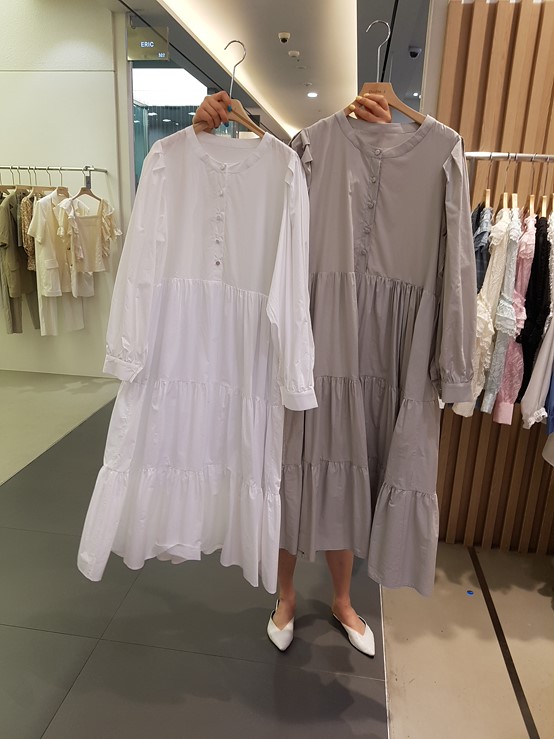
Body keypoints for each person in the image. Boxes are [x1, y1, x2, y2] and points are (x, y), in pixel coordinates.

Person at [192, 90, 392, 656]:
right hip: (294, 320)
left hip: (359, 343)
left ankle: (343, 600)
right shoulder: (308, 148)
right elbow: (251, 187)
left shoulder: (421, 157)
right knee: (286, 469)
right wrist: (207, 133)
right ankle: (285, 597)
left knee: (342, 466)